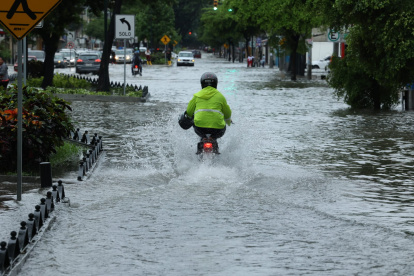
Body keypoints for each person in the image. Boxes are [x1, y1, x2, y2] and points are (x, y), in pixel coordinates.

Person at [184, 72, 232, 154]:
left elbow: (189, 112)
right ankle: (216, 149)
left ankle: (200, 150)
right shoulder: (220, 96)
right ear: (216, 83)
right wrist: (228, 122)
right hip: (218, 129)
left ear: (202, 83)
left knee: (197, 127)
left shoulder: (197, 96)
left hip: (200, 128)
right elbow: (227, 114)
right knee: (219, 130)